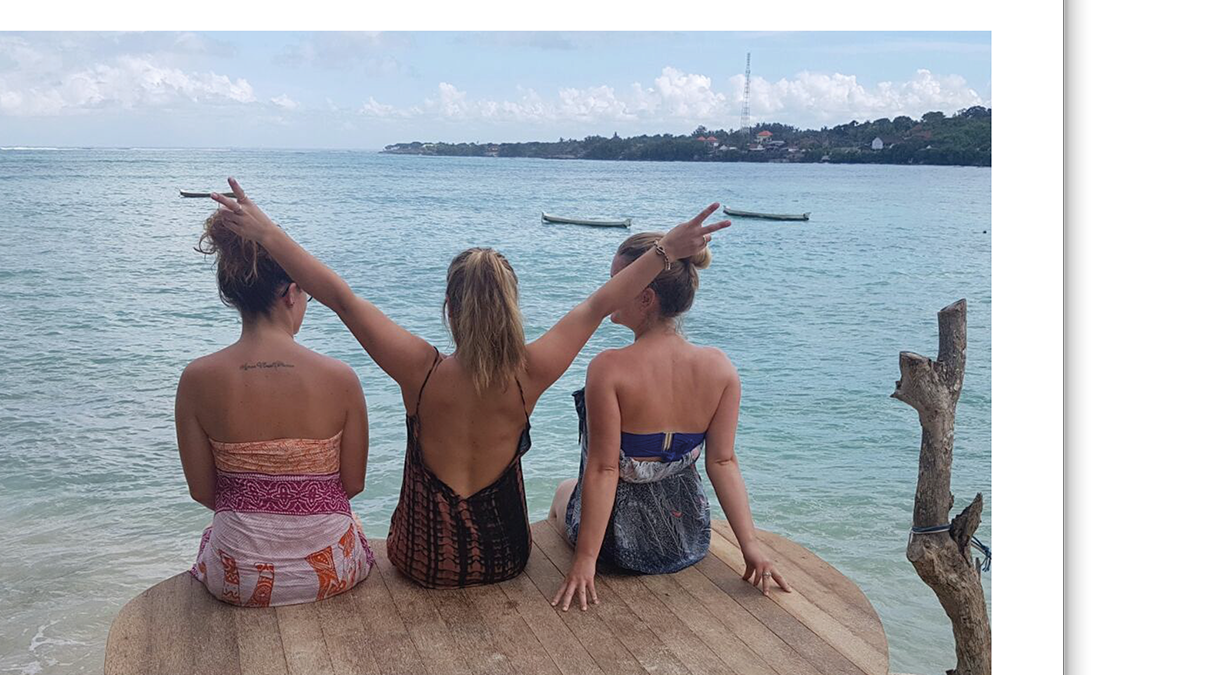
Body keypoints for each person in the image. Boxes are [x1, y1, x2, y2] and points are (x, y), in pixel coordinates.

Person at [205, 180, 728, 589]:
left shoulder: (421, 371)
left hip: (421, 559)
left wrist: (268, 233)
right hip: (504, 558)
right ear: (511, 308)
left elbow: (340, 297)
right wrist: (663, 251)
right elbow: (598, 305)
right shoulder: (530, 372)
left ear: (450, 309)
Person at [548, 228, 790, 612]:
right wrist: (751, 547)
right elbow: (723, 462)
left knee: (564, 490)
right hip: (687, 538)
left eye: (618, 281)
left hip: (619, 546)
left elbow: (603, 469)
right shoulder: (720, 368)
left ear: (646, 297)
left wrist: (585, 561)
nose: (610, 289)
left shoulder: (609, 369)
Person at [173, 208, 373, 606]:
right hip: (331, 569)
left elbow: (202, 491)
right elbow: (353, 485)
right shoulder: (341, 378)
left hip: (238, 576)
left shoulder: (196, 379)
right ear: (291, 293)